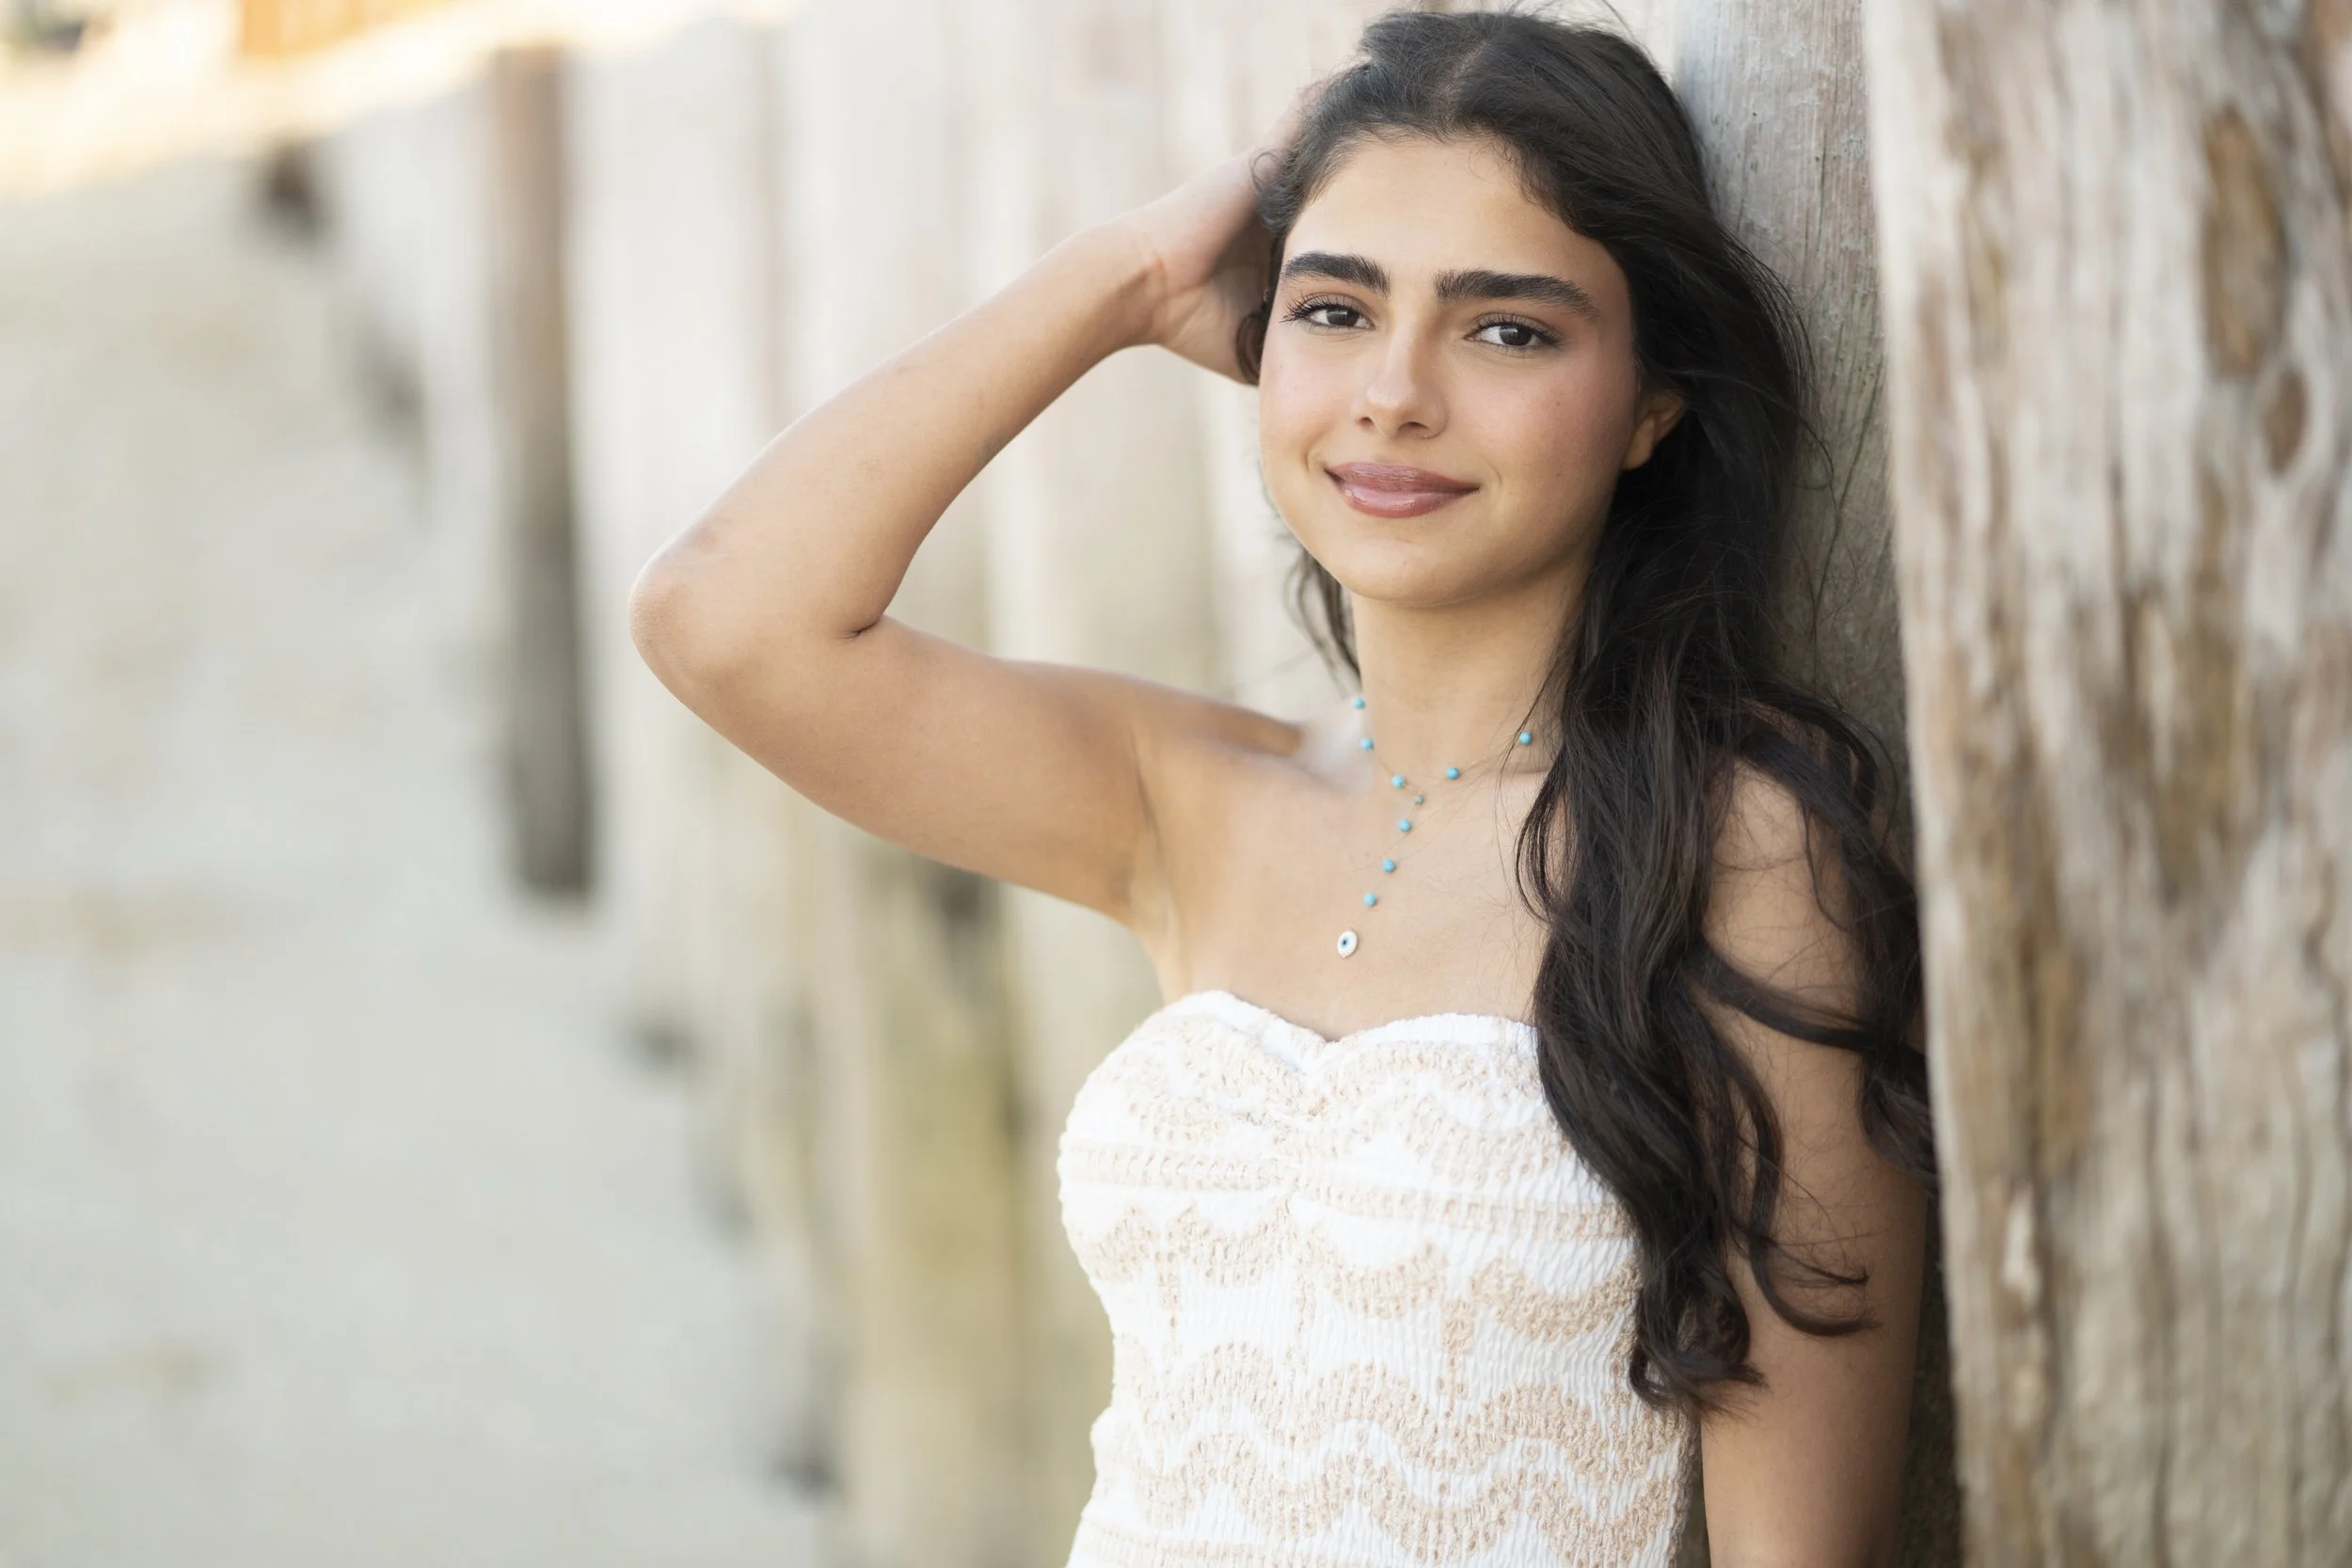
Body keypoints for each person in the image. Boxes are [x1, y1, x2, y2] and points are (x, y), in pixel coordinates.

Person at [629, 9, 1934, 1566]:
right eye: (1332, 309)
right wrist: (1122, 278)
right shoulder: (1184, 804)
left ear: (1654, 401)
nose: (1393, 393)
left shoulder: (1742, 854)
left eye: (1506, 328)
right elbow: (724, 619)